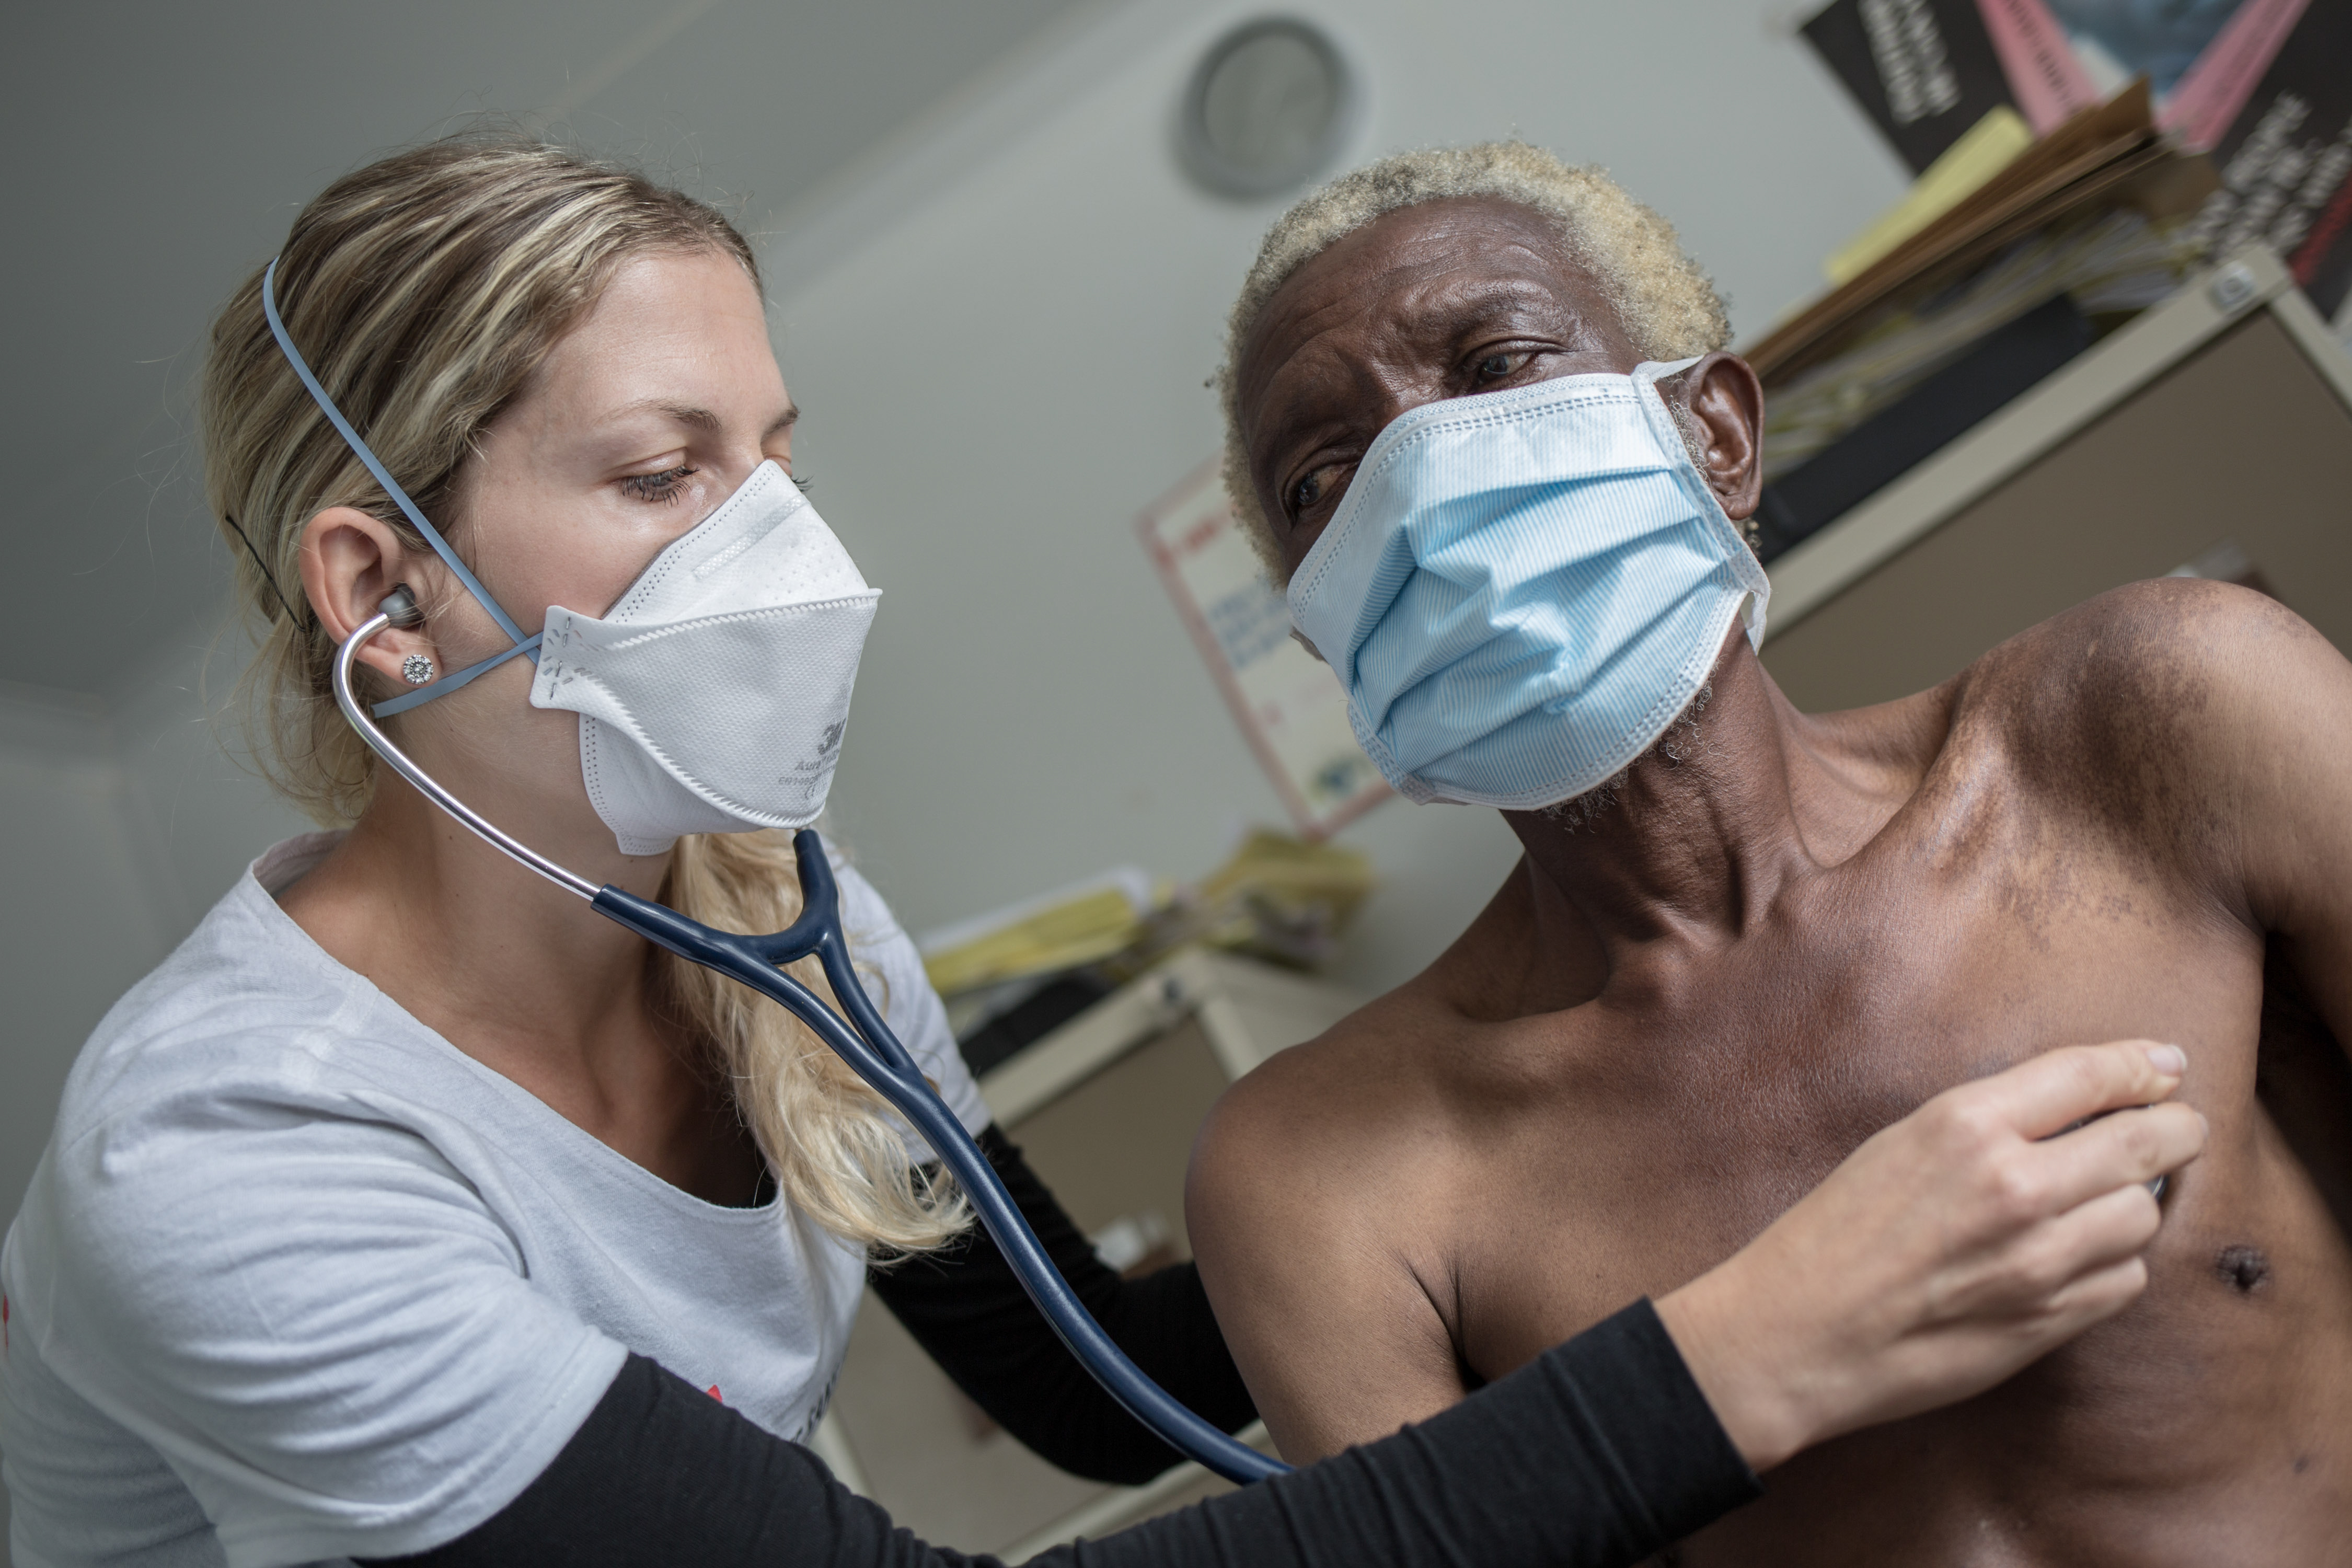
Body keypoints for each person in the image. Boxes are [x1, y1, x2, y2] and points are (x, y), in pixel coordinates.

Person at [0, 135, 2204, 1568]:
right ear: (382, 589)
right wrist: (1756, 1343)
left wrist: (1499, 1124)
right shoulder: (226, 1168)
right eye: (664, 470)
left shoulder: (783, 920)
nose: (785, 541)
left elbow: (1073, 1390)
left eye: (776, 452)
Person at [1187, 141, 2352, 1564]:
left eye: (1494, 367)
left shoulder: (2167, 725)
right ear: (1324, 627)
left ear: (1715, 435)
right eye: (1320, 479)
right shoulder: (1329, 1169)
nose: (1419, 492)